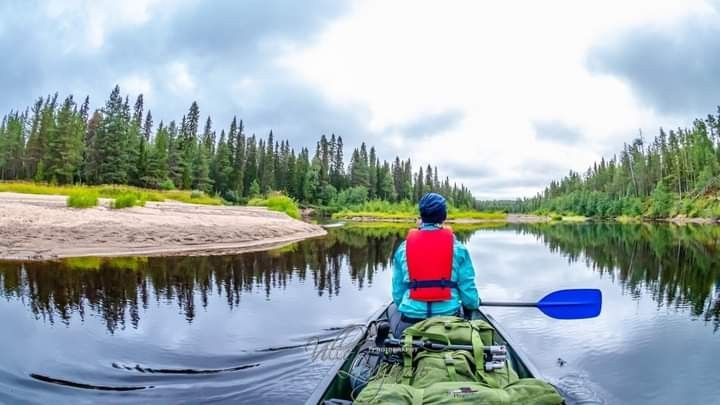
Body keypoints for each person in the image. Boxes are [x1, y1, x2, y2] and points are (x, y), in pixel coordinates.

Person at [389, 192, 480, 337]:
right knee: (467, 309)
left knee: (392, 308)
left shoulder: (403, 248)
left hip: (411, 321)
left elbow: (398, 293)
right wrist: (473, 305)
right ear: (444, 216)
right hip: (449, 321)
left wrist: (406, 305)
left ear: (422, 215)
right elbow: (468, 294)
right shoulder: (458, 249)